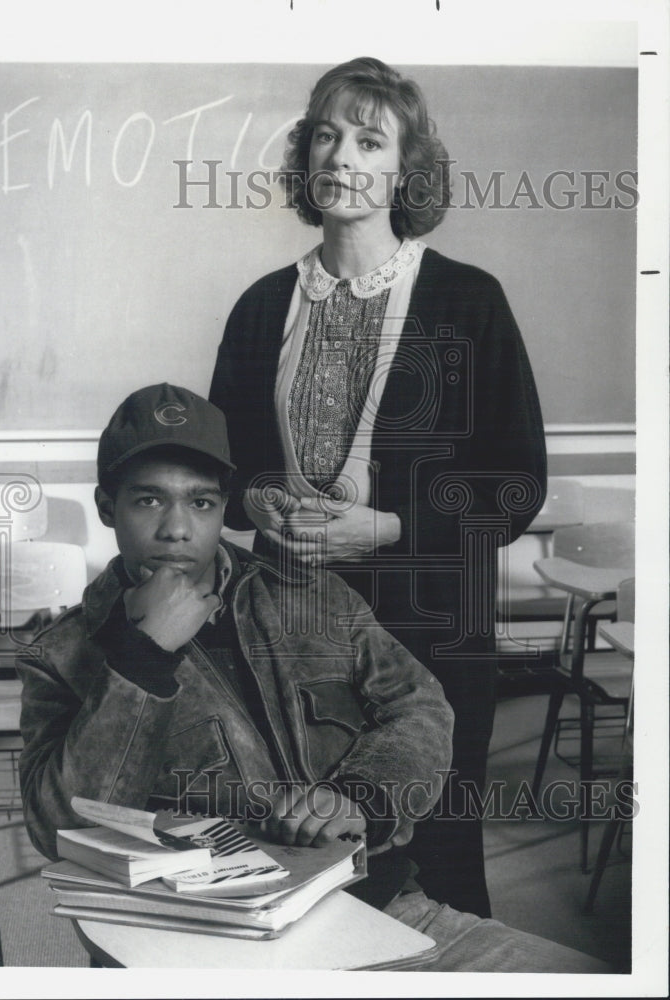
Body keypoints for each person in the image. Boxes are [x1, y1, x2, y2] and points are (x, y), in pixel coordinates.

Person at [16, 384, 605, 973]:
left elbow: (421, 706)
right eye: (148, 501)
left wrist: (361, 796)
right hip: (198, 945)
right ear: (105, 505)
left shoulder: (312, 597)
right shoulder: (61, 653)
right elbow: (59, 826)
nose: (177, 529)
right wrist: (141, 658)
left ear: (225, 508)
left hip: (380, 910)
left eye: (201, 503)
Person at [209, 56, 548, 918]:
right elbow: (225, 465)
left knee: (436, 870)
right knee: (302, 861)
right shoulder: (260, 308)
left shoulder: (470, 301)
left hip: (431, 633)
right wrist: (257, 503)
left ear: (406, 169)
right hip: (293, 634)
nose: (343, 155)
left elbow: (515, 483)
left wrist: (388, 527)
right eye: (327, 134)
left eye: (370, 138)